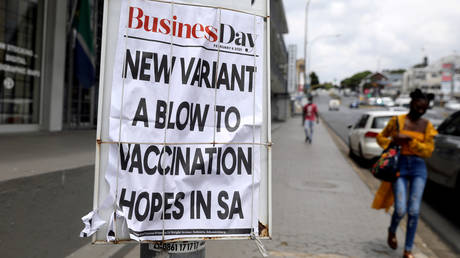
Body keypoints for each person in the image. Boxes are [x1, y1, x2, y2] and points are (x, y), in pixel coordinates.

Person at [373, 89, 437, 258]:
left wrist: (412, 142)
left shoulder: (427, 126)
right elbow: (381, 137)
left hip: (418, 167)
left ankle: (408, 250)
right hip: (399, 165)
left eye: (424, 108)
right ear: (411, 103)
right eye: (418, 107)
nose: (421, 111)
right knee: (400, 209)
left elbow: (428, 151)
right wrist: (392, 141)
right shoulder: (397, 121)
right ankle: (392, 230)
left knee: (414, 211)